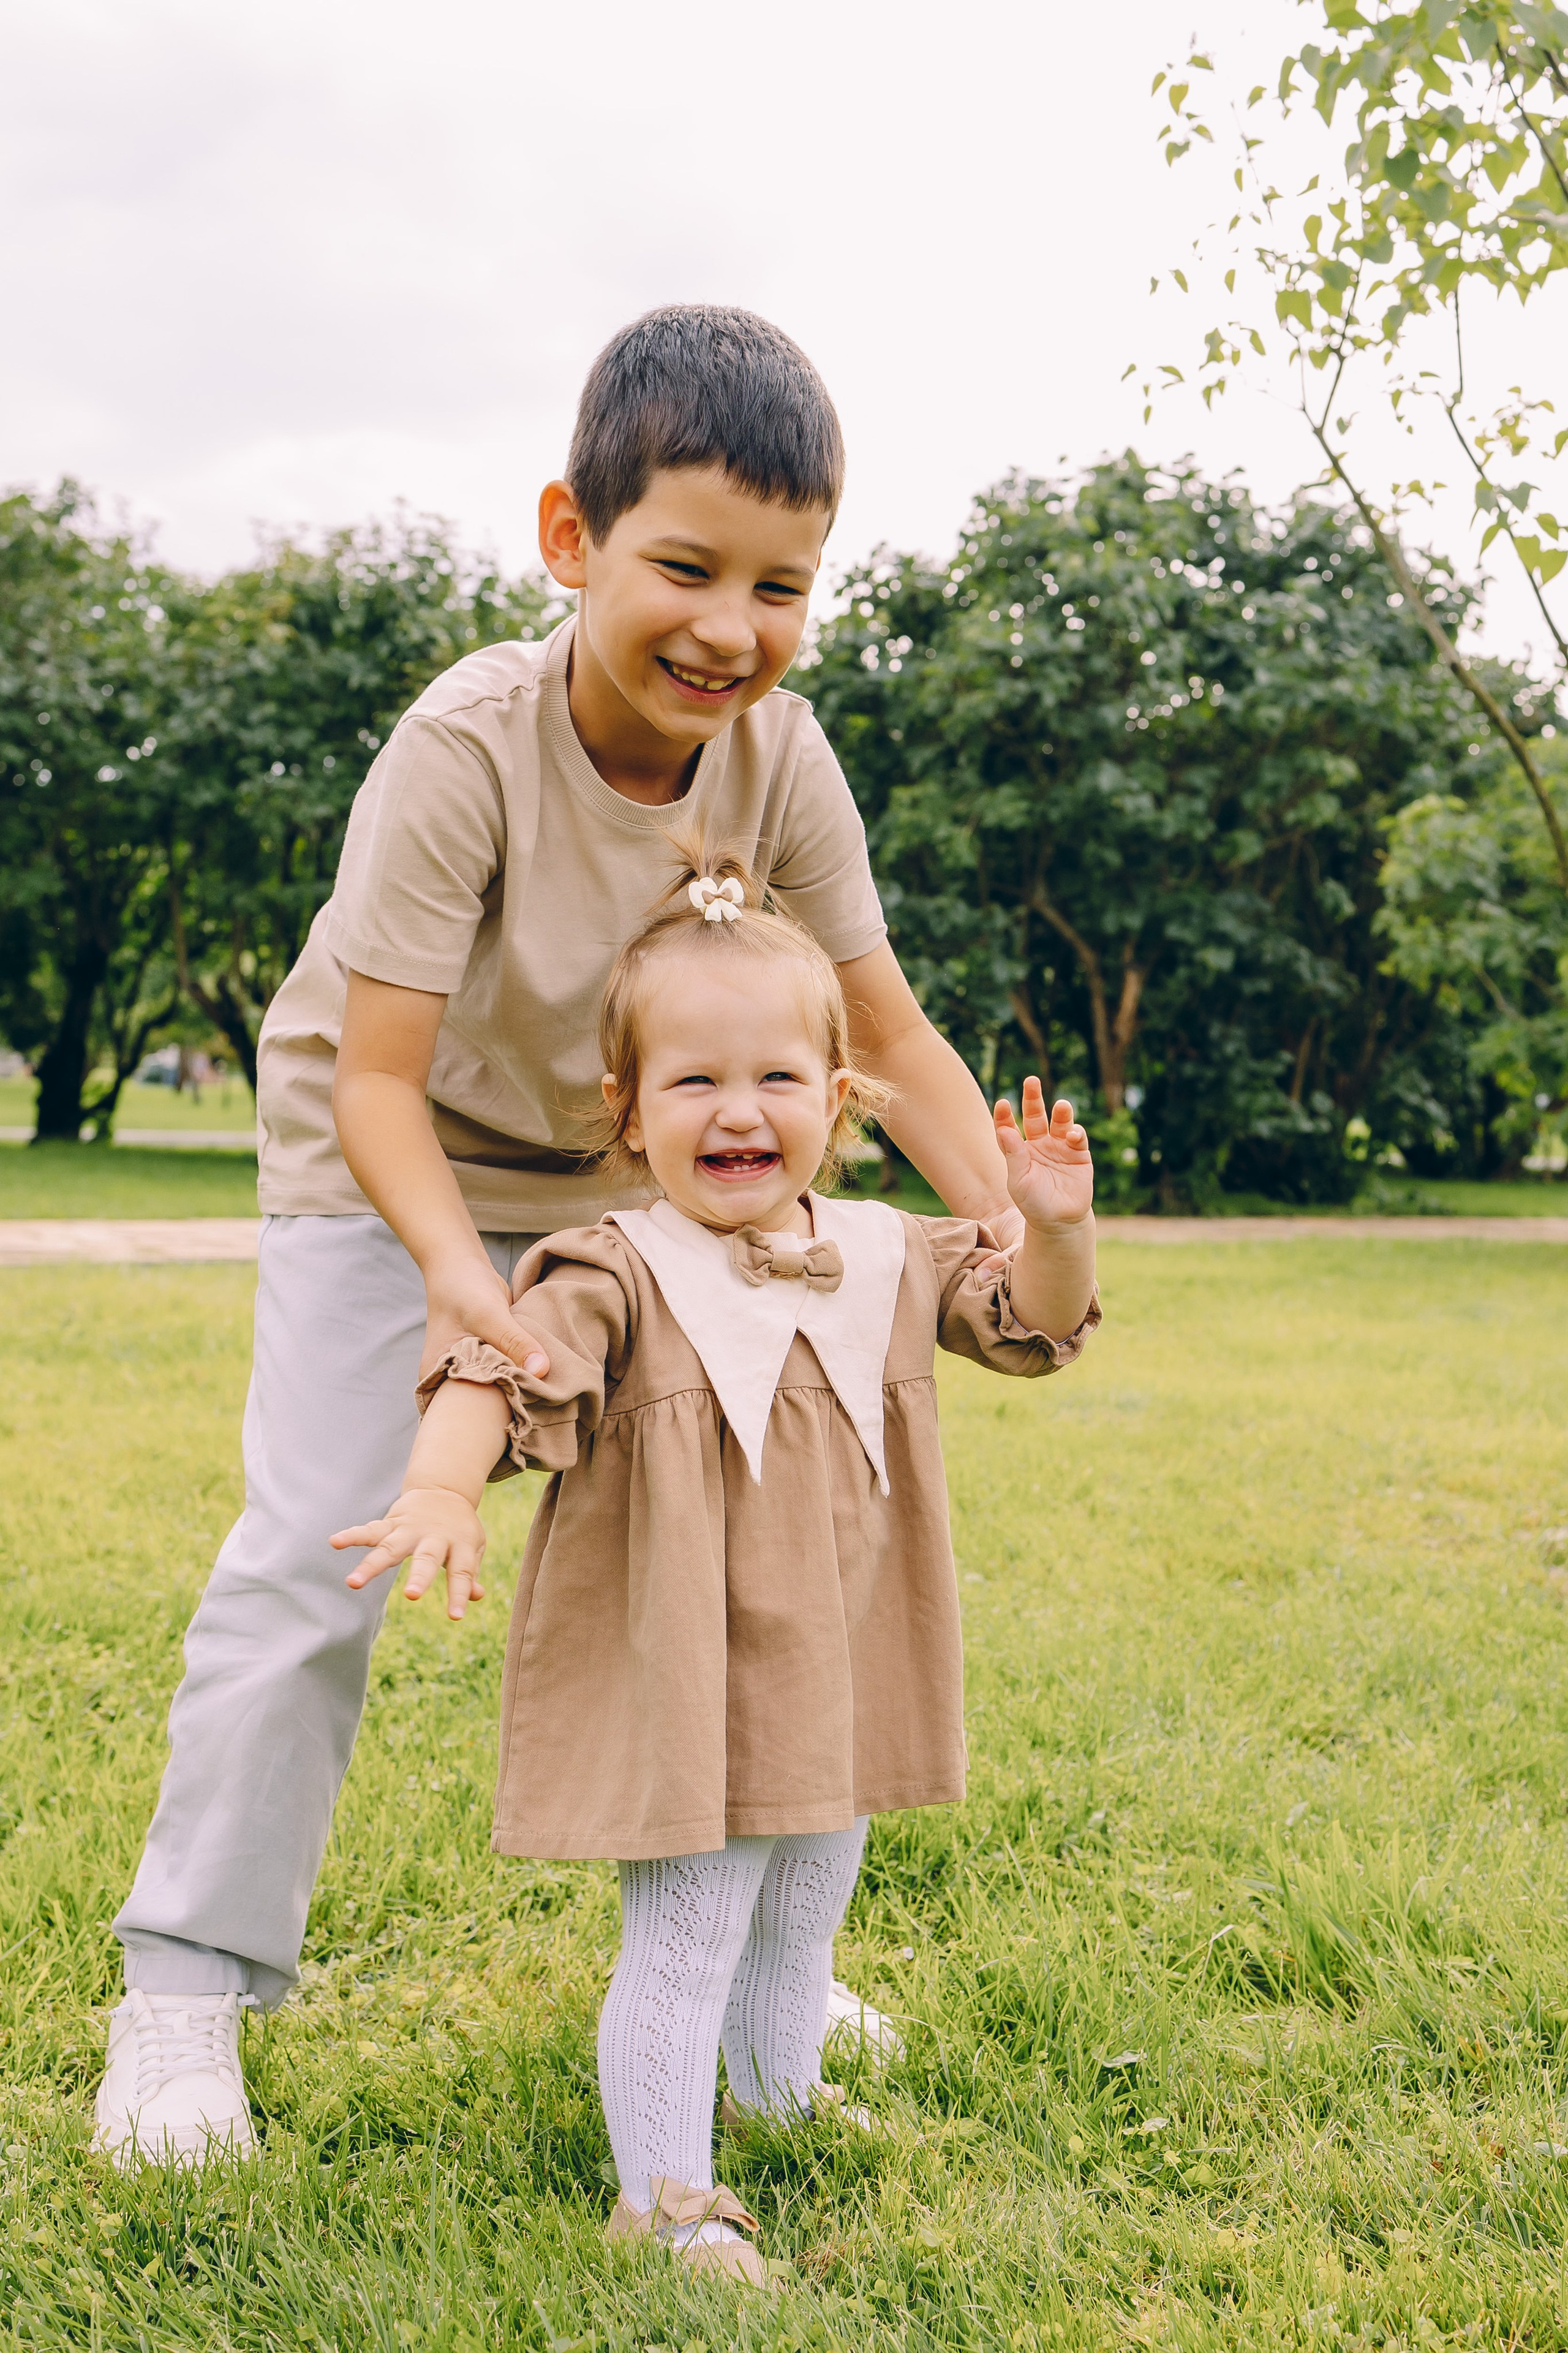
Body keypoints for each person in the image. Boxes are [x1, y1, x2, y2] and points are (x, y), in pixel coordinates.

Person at [94, 304, 1035, 2169]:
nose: (729, 630)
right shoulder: (469, 742)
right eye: (686, 567)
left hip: (641, 1169)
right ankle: (182, 1997)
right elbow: (373, 1080)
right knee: (316, 1552)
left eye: (782, 586)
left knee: (766, 1549)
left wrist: (1010, 1218)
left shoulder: (784, 759)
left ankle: (769, 1967)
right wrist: (462, 1282)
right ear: (570, 538)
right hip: (406, 1154)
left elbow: (890, 1033)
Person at [331, 847, 1099, 2284]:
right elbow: (500, 1371)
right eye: (691, 1082)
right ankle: (667, 2197)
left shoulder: (885, 1250)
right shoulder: (613, 1264)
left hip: (840, 1642)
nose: (736, 1109)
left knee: (820, 1864)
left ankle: (779, 2081)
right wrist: (439, 1484)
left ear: (837, 1099)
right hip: (688, 1646)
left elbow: (1031, 1326)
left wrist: (1047, 1228)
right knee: (693, 1914)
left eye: (775, 1080)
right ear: (628, 1110)